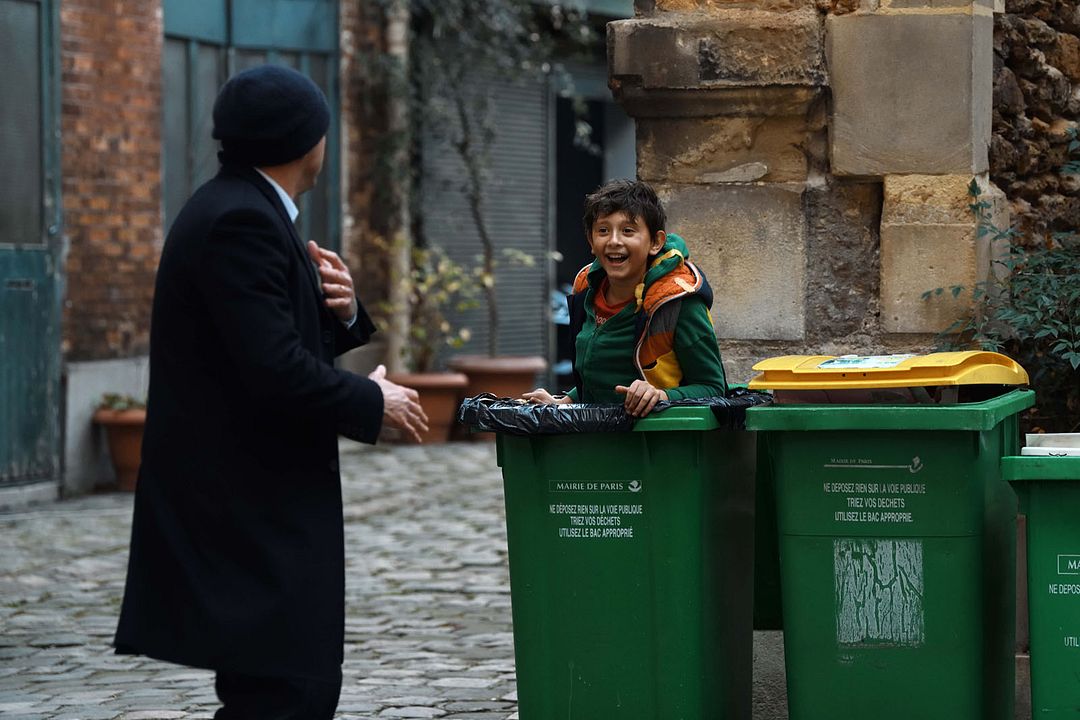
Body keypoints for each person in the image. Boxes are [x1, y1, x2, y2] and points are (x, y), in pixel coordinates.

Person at [113, 65, 428, 719]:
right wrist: (374, 402)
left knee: (282, 688)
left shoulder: (244, 208)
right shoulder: (240, 221)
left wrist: (340, 315)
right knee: (289, 693)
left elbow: (255, 342)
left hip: (256, 501)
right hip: (248, 507)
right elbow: (273, 369)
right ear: (307, 140)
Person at [525, 179, 727, 416]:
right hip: (595, 442)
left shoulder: (677, 300)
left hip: (656, 444)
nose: (614, 241)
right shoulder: (585, 290)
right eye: (603, 230)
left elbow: (714, 388)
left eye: (627, 231)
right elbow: (601, 376)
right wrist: (564, 402)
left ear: (655, 242)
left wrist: (661, 396)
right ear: (591, 241)